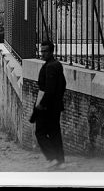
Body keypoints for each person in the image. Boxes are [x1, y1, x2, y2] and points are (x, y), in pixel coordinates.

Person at [34, 40, 67, 169]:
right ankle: (60, 160)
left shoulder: (50, 66)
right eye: (41, 51)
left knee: (40, 132)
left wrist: (42, 105)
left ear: (52, 51)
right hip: (55, 105)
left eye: (45, 51)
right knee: (54, 132)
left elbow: (49, 89)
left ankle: (53, 157)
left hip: (48, 106)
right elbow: (63, 84)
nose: (42, 54)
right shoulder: (56, 64)